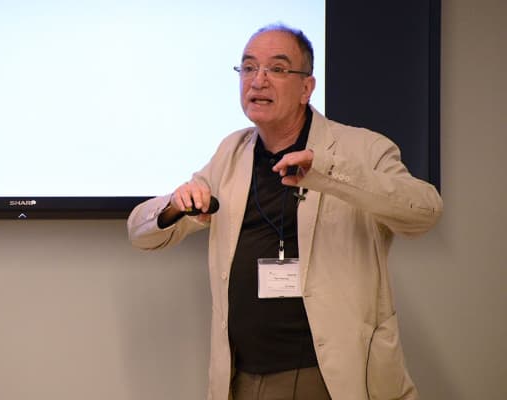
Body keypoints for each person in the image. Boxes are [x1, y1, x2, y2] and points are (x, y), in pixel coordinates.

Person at [127, 23, 443, 400]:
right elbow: (140, 233)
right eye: (248, 67)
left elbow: (425, 211)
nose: (258, 80)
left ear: (306, 88)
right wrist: (175, 206)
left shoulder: (362, 148)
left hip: (327, 376)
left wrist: (328, 171)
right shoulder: (231, 152)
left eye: (276, 69)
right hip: (241, 376)